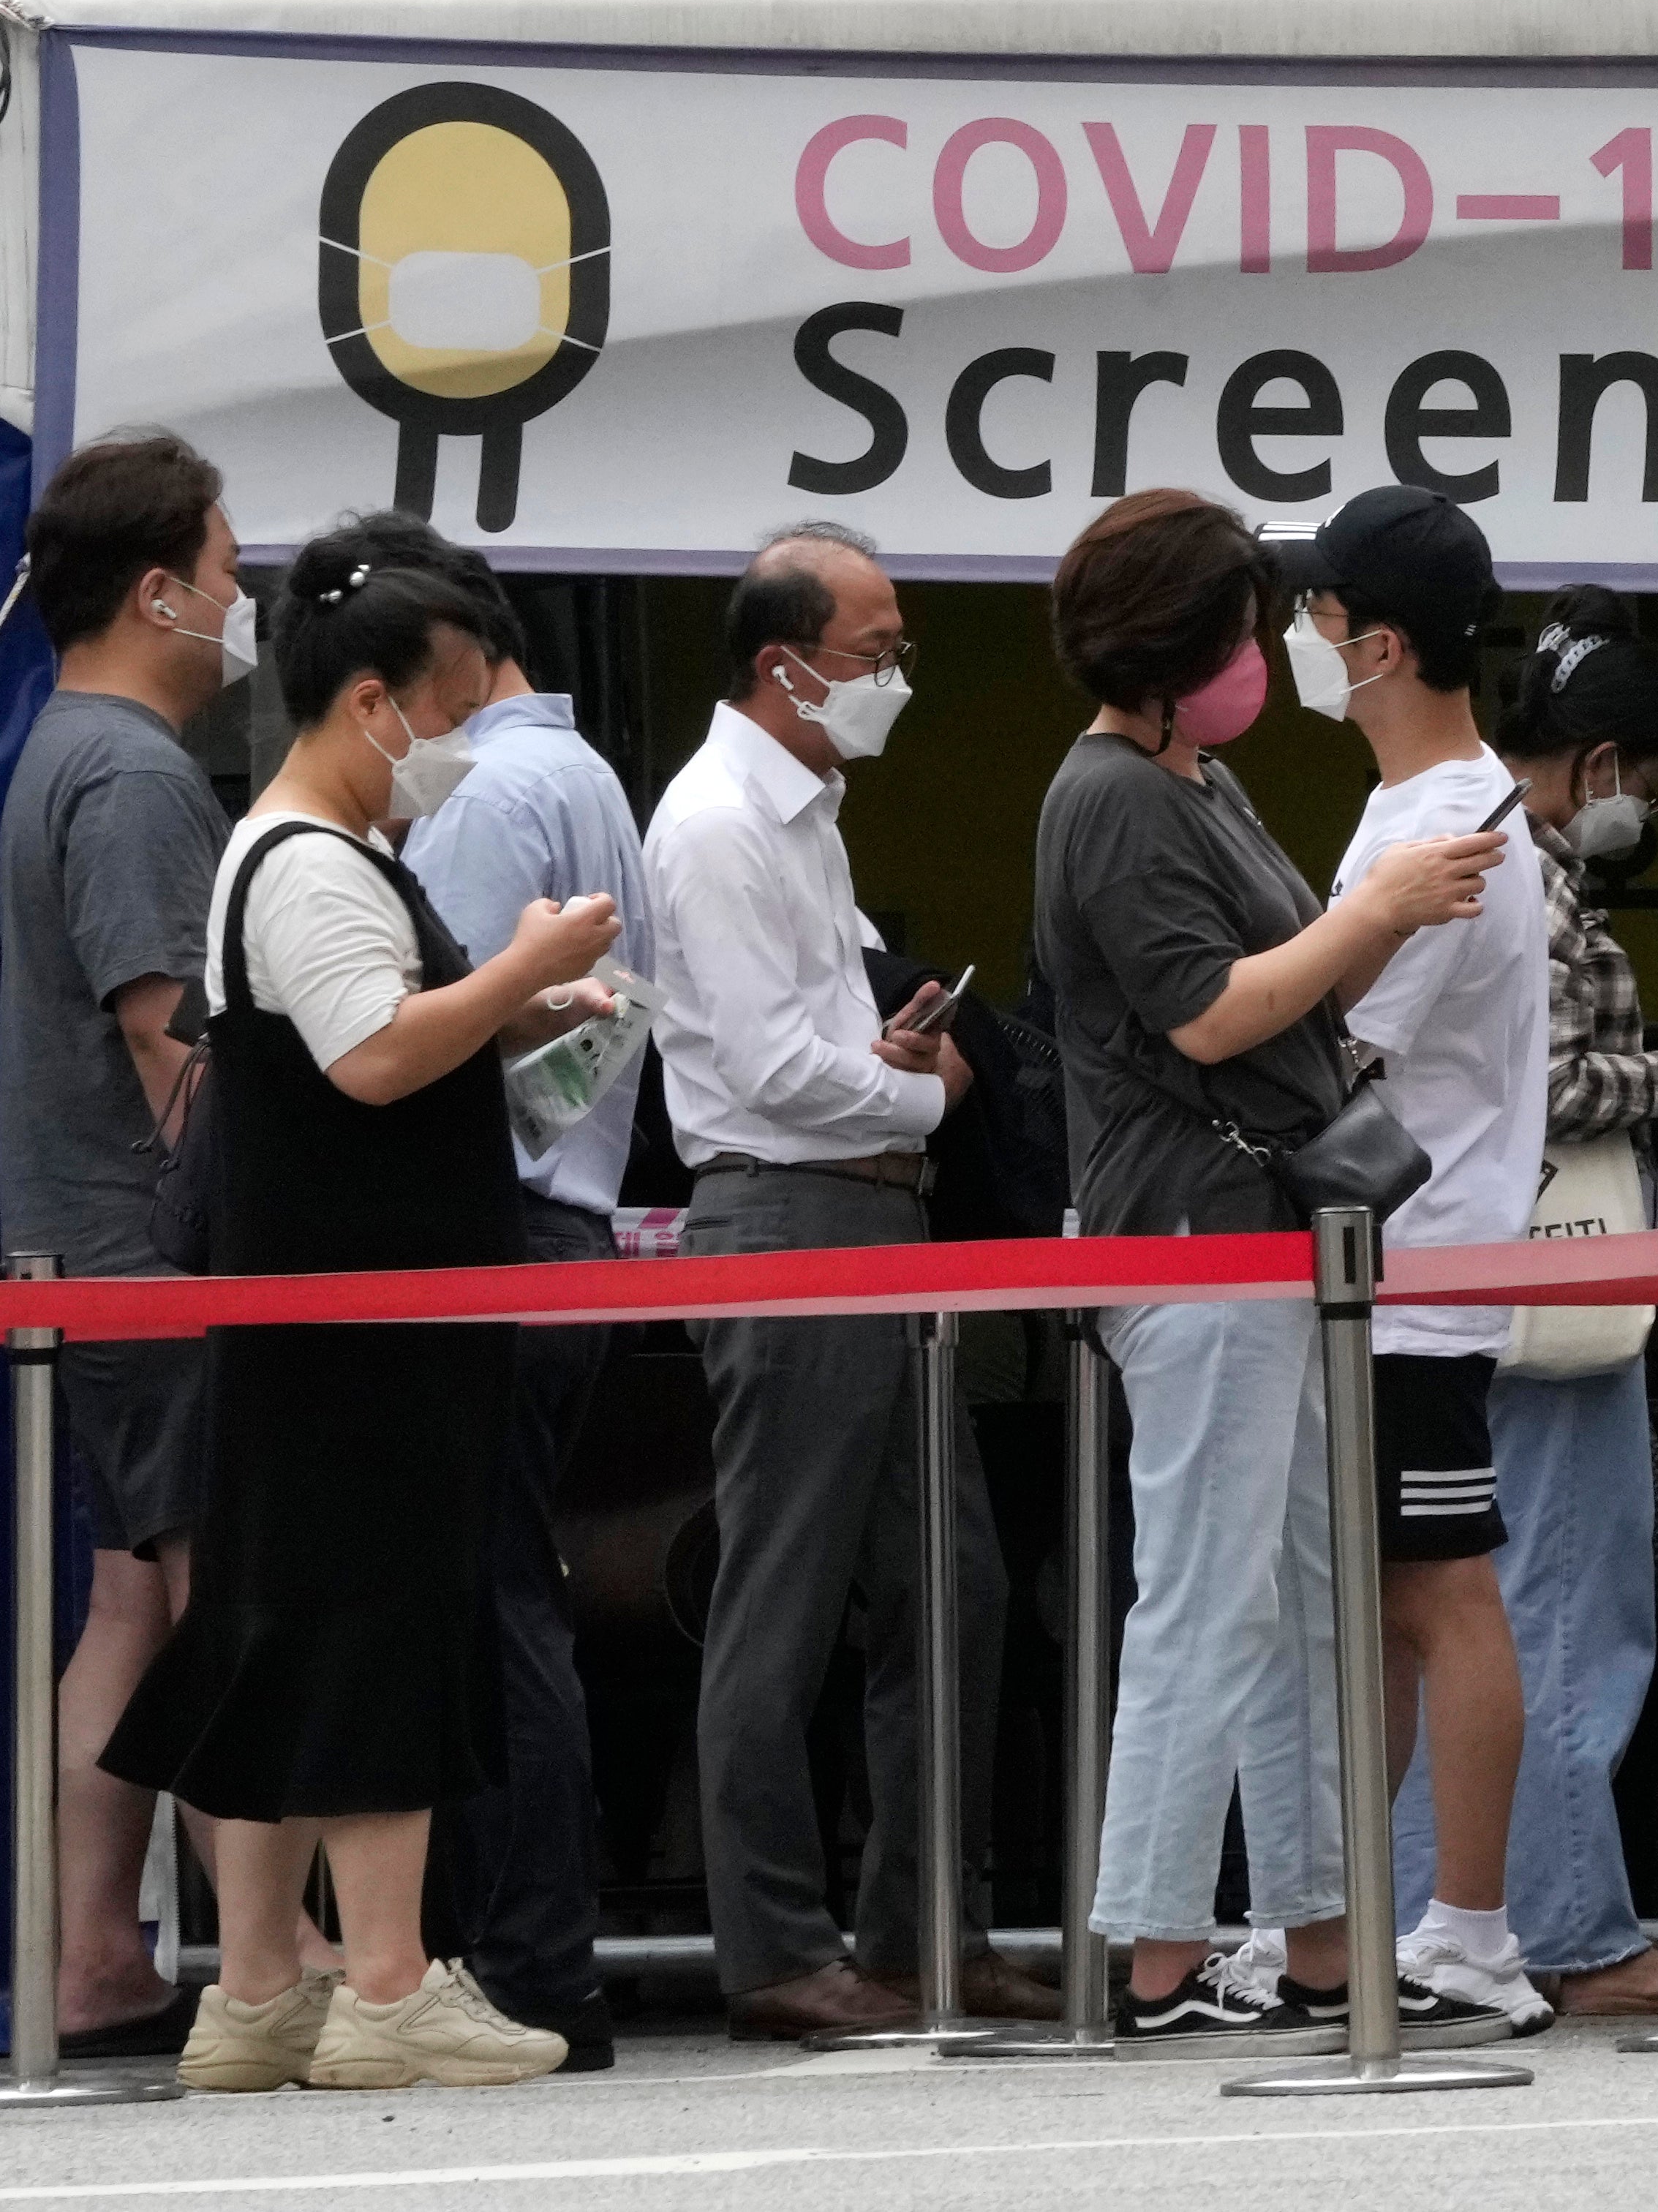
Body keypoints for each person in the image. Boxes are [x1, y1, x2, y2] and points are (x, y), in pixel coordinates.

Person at [99, 527, 617, 2090]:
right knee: (378, 1632)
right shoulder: (312, 858)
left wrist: (521, 1006)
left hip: (346, 1318)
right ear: (374, 703)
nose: (459, 743)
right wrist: (521, 963)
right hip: (366, 1332)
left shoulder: (315, 852)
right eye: (451, 711)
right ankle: (388, 1981)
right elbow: (374, 1054)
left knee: (284, 1635)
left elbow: (381, 1040)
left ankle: (258, 1989)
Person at [1032, 487, 1502, 2050]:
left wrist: (1375, 918)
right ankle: (1156, 1949)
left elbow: (1277, 987)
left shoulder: (1192, 776)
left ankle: (1318, 1936)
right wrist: (1375, 909)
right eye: (1236, 627)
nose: (1261, 654)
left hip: (1264, 1243)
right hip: (1196, 1239)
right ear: (1174, 647)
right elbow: (1211, 1014)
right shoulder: (1113, 798)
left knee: (1301, 1601)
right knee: (1213, 1598)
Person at [641, 523, 1041, 2039]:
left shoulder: (803, 813)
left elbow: (814, 1043)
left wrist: (896, 1072)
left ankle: (923, 1928)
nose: (894, 675)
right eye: (875, 650)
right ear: (781, 662)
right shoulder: (723, 821)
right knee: (786, 1594)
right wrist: (927, 1092)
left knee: (955, 1584)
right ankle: (775, 1949)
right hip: (794, 1214)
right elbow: (762, 1070)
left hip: (866, 1213)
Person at [1392, 584, 1658, 2018]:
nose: (1649, 815)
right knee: (1562, 1608)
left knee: (1481, 1606)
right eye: (1652, 788)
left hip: (1471, 1274)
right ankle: (1565, 1924)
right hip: (1548, 1276)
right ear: (1602, 761)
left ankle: (1463, 1908)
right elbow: (1539, 1082)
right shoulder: (1524, 870)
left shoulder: (1460, 841)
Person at [0, 434, 280, 2058]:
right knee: (219, 1593)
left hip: (81, 1254)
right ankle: (276, 1952)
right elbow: (171, 1041)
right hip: (151, 1265)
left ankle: (97, 1954)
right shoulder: (133, 776)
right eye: (232, 574)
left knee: (127, 1603)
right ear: (160, 589)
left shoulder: (60, 753)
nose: (241, 603)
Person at [363, 514, 644, 2072]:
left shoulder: (483, 788)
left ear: (445, 662)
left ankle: (527, 1965)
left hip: (500, 1223)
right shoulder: (586, 772)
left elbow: (428, 1031)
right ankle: (539, 1957)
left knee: (490, 1607)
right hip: (567, 1223)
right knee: (510, 1593)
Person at [1275, 484, 1553, 2031]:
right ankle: (1356, 1912)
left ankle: (1472, 1929)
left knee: (1443, 1591)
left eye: (1315, 616)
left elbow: (1331, 1035)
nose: (1298, 641)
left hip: (1424, 1263)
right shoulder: (1426, 811)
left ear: (1378, 641)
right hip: (1404, 1264)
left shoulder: (1446, 819)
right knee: (1391, 1594)